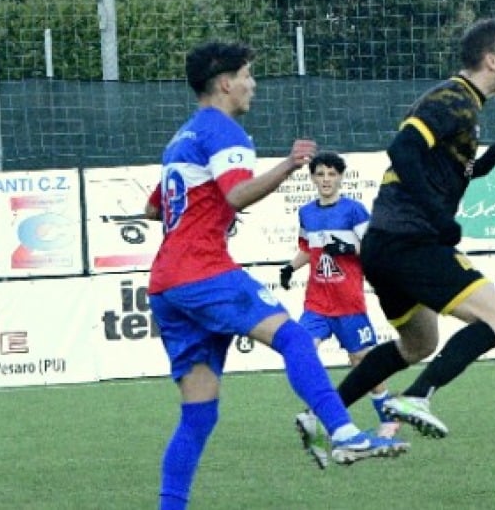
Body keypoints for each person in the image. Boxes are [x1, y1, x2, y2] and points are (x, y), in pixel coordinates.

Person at [144, 42, 406, 507]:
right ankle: (344, 431)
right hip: (202, 271)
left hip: (166, 284)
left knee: (198, 416)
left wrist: (203, 212)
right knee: (295, 340)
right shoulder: (224, 130)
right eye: (246, 75)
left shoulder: (181, 136)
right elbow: (238, 194)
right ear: (224, 83)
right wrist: (288, 165)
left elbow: (153, 207)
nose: (252, 84)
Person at [334, 18, 495, 438]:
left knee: (418, 345)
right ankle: (417, 396)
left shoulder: (465, 106)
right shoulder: (454, 97)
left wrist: (477, 167)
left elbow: (432, 166)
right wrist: (439, 218)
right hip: (410, 240)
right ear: (492, 60)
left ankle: (321, 417)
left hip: (385, 246)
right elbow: (403, 149)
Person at [279, 151, 399, 451]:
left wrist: (347, 247)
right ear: (313, 179)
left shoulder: (354, 211)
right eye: (320, 174)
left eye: (332, 174)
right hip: (317, 304)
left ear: (341, 178)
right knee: (301, 351)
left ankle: (388, 419)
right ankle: (319, 416)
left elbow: (372, 249)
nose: (326, 180)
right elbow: (309, 248)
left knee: (364, 364)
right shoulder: (307, 213)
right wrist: (290, 267)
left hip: (349, 304)